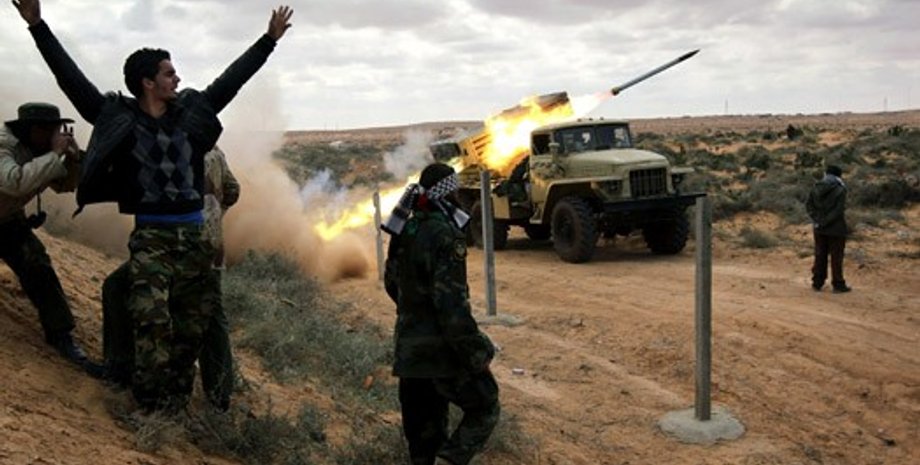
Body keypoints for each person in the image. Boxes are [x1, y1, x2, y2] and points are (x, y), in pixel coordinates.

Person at [13, 0, 293, 411]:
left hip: (194, 239)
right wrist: (38, 26)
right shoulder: (119, 118)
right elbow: (71, 80)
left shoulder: (190, 114)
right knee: (152, 324)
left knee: (192, 329)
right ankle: (147, 408)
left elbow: (230, 82)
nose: (177, 78)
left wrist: (268, 41)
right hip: (152, 239)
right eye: (168, 73)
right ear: (147, 82)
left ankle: (174, 408)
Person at [101, 146, 240, 411]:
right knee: (212, 315)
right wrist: (214, 212)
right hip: (207, 244)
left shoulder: (164, 147)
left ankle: (122, 370)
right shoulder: (211, 146)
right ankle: (219, 394)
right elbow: (233, 190)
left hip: (176, 246)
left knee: (119, 289)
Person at [384, 163, 500, 465]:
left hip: (409, 356)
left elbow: (391, 283)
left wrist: (415, 310)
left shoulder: (405, 229)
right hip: (440, 355)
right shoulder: (446, 235)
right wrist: (476, 353)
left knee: (423, 443)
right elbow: (452, 308)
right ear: (447, 193)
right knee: (486, 405)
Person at [0, 102, 101, 370]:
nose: (58, 135)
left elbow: (65, 187)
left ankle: (60, 334)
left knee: (38, 266)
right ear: (35, 130)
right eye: (54, 130)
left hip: (8, 221)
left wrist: (73, 160)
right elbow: (14, 182)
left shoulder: (42, 148)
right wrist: (55, 153)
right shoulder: (4, 145)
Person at [806, 164, 851, 293]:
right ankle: (838, 284)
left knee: (820, 254)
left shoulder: (816, 187)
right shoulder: (841, 189)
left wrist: (818, 220)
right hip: (836, 228)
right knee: (836, 257)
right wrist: (826, 221)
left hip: (818, 227)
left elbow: (809, 205)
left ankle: (817, 282)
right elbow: (838, 210)